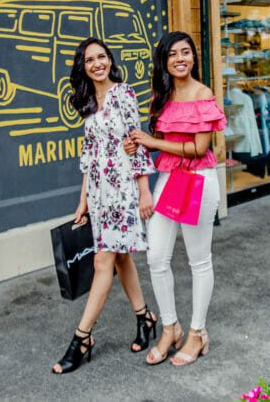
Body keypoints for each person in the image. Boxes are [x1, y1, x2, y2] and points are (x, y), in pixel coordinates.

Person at [51, 37, 157, 375]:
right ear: (82, 67)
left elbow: (135, 143)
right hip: (98, 193)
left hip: (123, 190)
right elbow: (89, 157)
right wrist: (82, 200)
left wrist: (144, 191)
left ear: (110, 60)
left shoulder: (123, 94)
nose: (97, 63)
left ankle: (82, 338)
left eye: (102, 57)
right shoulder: (89, 102)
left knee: (103, 261)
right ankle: (145, 318)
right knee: (121, 256)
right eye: (89, 60)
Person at [126, 31, 226, 367]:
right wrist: (139, 142)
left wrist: (153, 143)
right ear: (164, 61)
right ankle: (171, 327)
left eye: (185, 52)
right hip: (168, 179)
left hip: (198, 179)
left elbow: (200, 148)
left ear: (194, 58)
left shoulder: (204, 94)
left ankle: (197, 332)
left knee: (199, 259)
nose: (179, 58)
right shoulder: (162, 96)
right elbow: (154, 140)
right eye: (172, 54)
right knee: (156, 257)